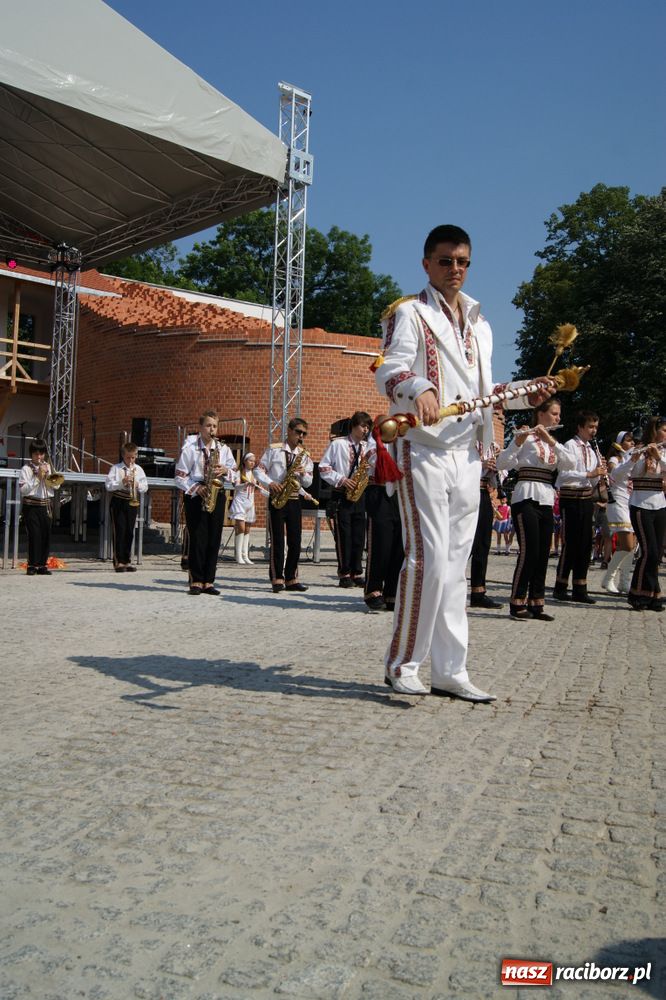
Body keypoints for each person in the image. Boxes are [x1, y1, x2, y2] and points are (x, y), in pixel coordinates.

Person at [374, 224, 552, 699]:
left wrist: (525, 393)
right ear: (427, 263)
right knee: (427, 558)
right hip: (424, 448)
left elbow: (484, 396)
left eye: (463, 262)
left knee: (455, 564)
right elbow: (389, 369)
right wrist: (420, 387)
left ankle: (451, 670)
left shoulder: (481, 324)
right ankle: (402, 662)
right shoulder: (409, 313)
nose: (456, 269)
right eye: (447, 260)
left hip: (468, 454)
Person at [497, 398, 575, 620]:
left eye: (558, 414)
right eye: (554, 413)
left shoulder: (552, 442)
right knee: (529, 551)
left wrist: (550, 440)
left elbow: (570, 463)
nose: (558, 418)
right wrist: (517, 442)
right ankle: (517, 601)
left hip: (547, 499)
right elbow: (503, 463)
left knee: (542, 553)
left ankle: (536, 603)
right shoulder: (525, 436)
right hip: (525, 497)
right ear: (540, 414)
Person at [175, 410, 237, 595]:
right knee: (198, 538)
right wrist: (196, 488)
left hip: (216, 492)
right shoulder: (190, 448)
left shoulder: (223, 449)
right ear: (200, 428)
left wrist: (225, 470)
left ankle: (209, 581)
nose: (212, 429)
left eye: (215, 426)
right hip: (196, 494)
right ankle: (196, 580)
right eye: (209, 425)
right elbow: (179, 477)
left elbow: (236, 475)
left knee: (214, 538)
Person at [553, 411, 606, 604]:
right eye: (590, 427)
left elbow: (592, 482)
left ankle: (580, 588)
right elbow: (564, 475)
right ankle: (560, 586)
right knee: (571, 542)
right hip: (570, 497)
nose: (594, 431)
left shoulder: (592, 451)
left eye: (596, 428)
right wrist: (589, 474)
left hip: (585, 498)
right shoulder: (570, 446)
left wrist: (600, 474)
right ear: (580, 427)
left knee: (585, 543)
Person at [256, 417, 313, 593]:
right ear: (289, 431)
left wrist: (303, 474)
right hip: (277, 498)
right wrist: (270, 483)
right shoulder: (274, 450)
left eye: (304, 433)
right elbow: (258, 470)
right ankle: (277, 578)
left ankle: (292, 578)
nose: (301, 436)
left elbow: (309, 482)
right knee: (278, 540)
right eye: (298, 432)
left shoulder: (304, 455)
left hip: (295, 499)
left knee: (296, 541)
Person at [319, 411, 375, 588]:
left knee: (359, 536)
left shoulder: (367, 447)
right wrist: (342, 480)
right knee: (345, 535)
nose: (366, 429)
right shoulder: (338, 444)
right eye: (363, 426)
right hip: (341, 493)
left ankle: (357, 572)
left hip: (360, 494)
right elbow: (323, 468)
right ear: (353, 426)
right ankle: (344, 573)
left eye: (368, 426)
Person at [627, 416, 665, 612]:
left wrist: (659, 456)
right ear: (655, 431)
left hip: (660, 504)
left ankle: (652, 594)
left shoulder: (664, 452)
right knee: (648, 550)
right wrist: (635, 456)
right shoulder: (640, 450)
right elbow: (622, 474)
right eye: (665, 430)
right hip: (640, 504)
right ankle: (637, 593)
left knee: (657, 553)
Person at [601, 431, 637, 593]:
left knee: (632, 545)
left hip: (630, 502)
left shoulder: (631, 458)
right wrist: (629, 457)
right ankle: (608, 578)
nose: (632, 443)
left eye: (632, 441)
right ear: (619, 443)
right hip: (617, 502)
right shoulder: (614, 460)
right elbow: (616, 474)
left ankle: (624, 582)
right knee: (627, 545)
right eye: (628, 441)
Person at [468, 447, 504, 609]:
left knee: (483, 544)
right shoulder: (465, 437)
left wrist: (497, 462)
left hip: (483, 492)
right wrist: (480, 464)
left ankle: (478, 592)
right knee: (464, 544)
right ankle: (449, 588)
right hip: (465, 490)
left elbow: (496, 477)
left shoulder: (489, 443)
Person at [105, 442, 148, 572]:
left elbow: (145, 486)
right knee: (119, 531)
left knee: (129, 532)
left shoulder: (139, 469)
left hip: (131, 501)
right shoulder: (116, 468)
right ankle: (118, 562)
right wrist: (121, 482)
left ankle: (127, 561)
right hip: (118, 501)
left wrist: (137, 485)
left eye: (133, 458)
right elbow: (108, 485)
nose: (131, 461)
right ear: (123, 455)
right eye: (128, 457)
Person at [18, 438, 56, 575]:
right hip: (31, 506)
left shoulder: (48, 467)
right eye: (36, 454)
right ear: (31, 455)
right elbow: (23, 490)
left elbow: (56, 485)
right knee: (34, 535)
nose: (39, 457)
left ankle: (42, 565)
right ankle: (32, 565)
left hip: (45, 504)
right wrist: (37, 478)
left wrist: (47, 478)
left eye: (41, 454)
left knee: (46, 535)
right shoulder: (26, 469)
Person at [229, 453, 269, 565]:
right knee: (240, 527)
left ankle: (245, 555)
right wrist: (246, 484)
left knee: (247, 529)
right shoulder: (239, 472)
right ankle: (238, 556)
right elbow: (235, 486)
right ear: (245, 461)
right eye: (250, 460)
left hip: (250, 503)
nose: (252, 463)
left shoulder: (255, 474)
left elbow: (260, 489)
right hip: (240, 502)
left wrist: (270, 494)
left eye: (254, 461)